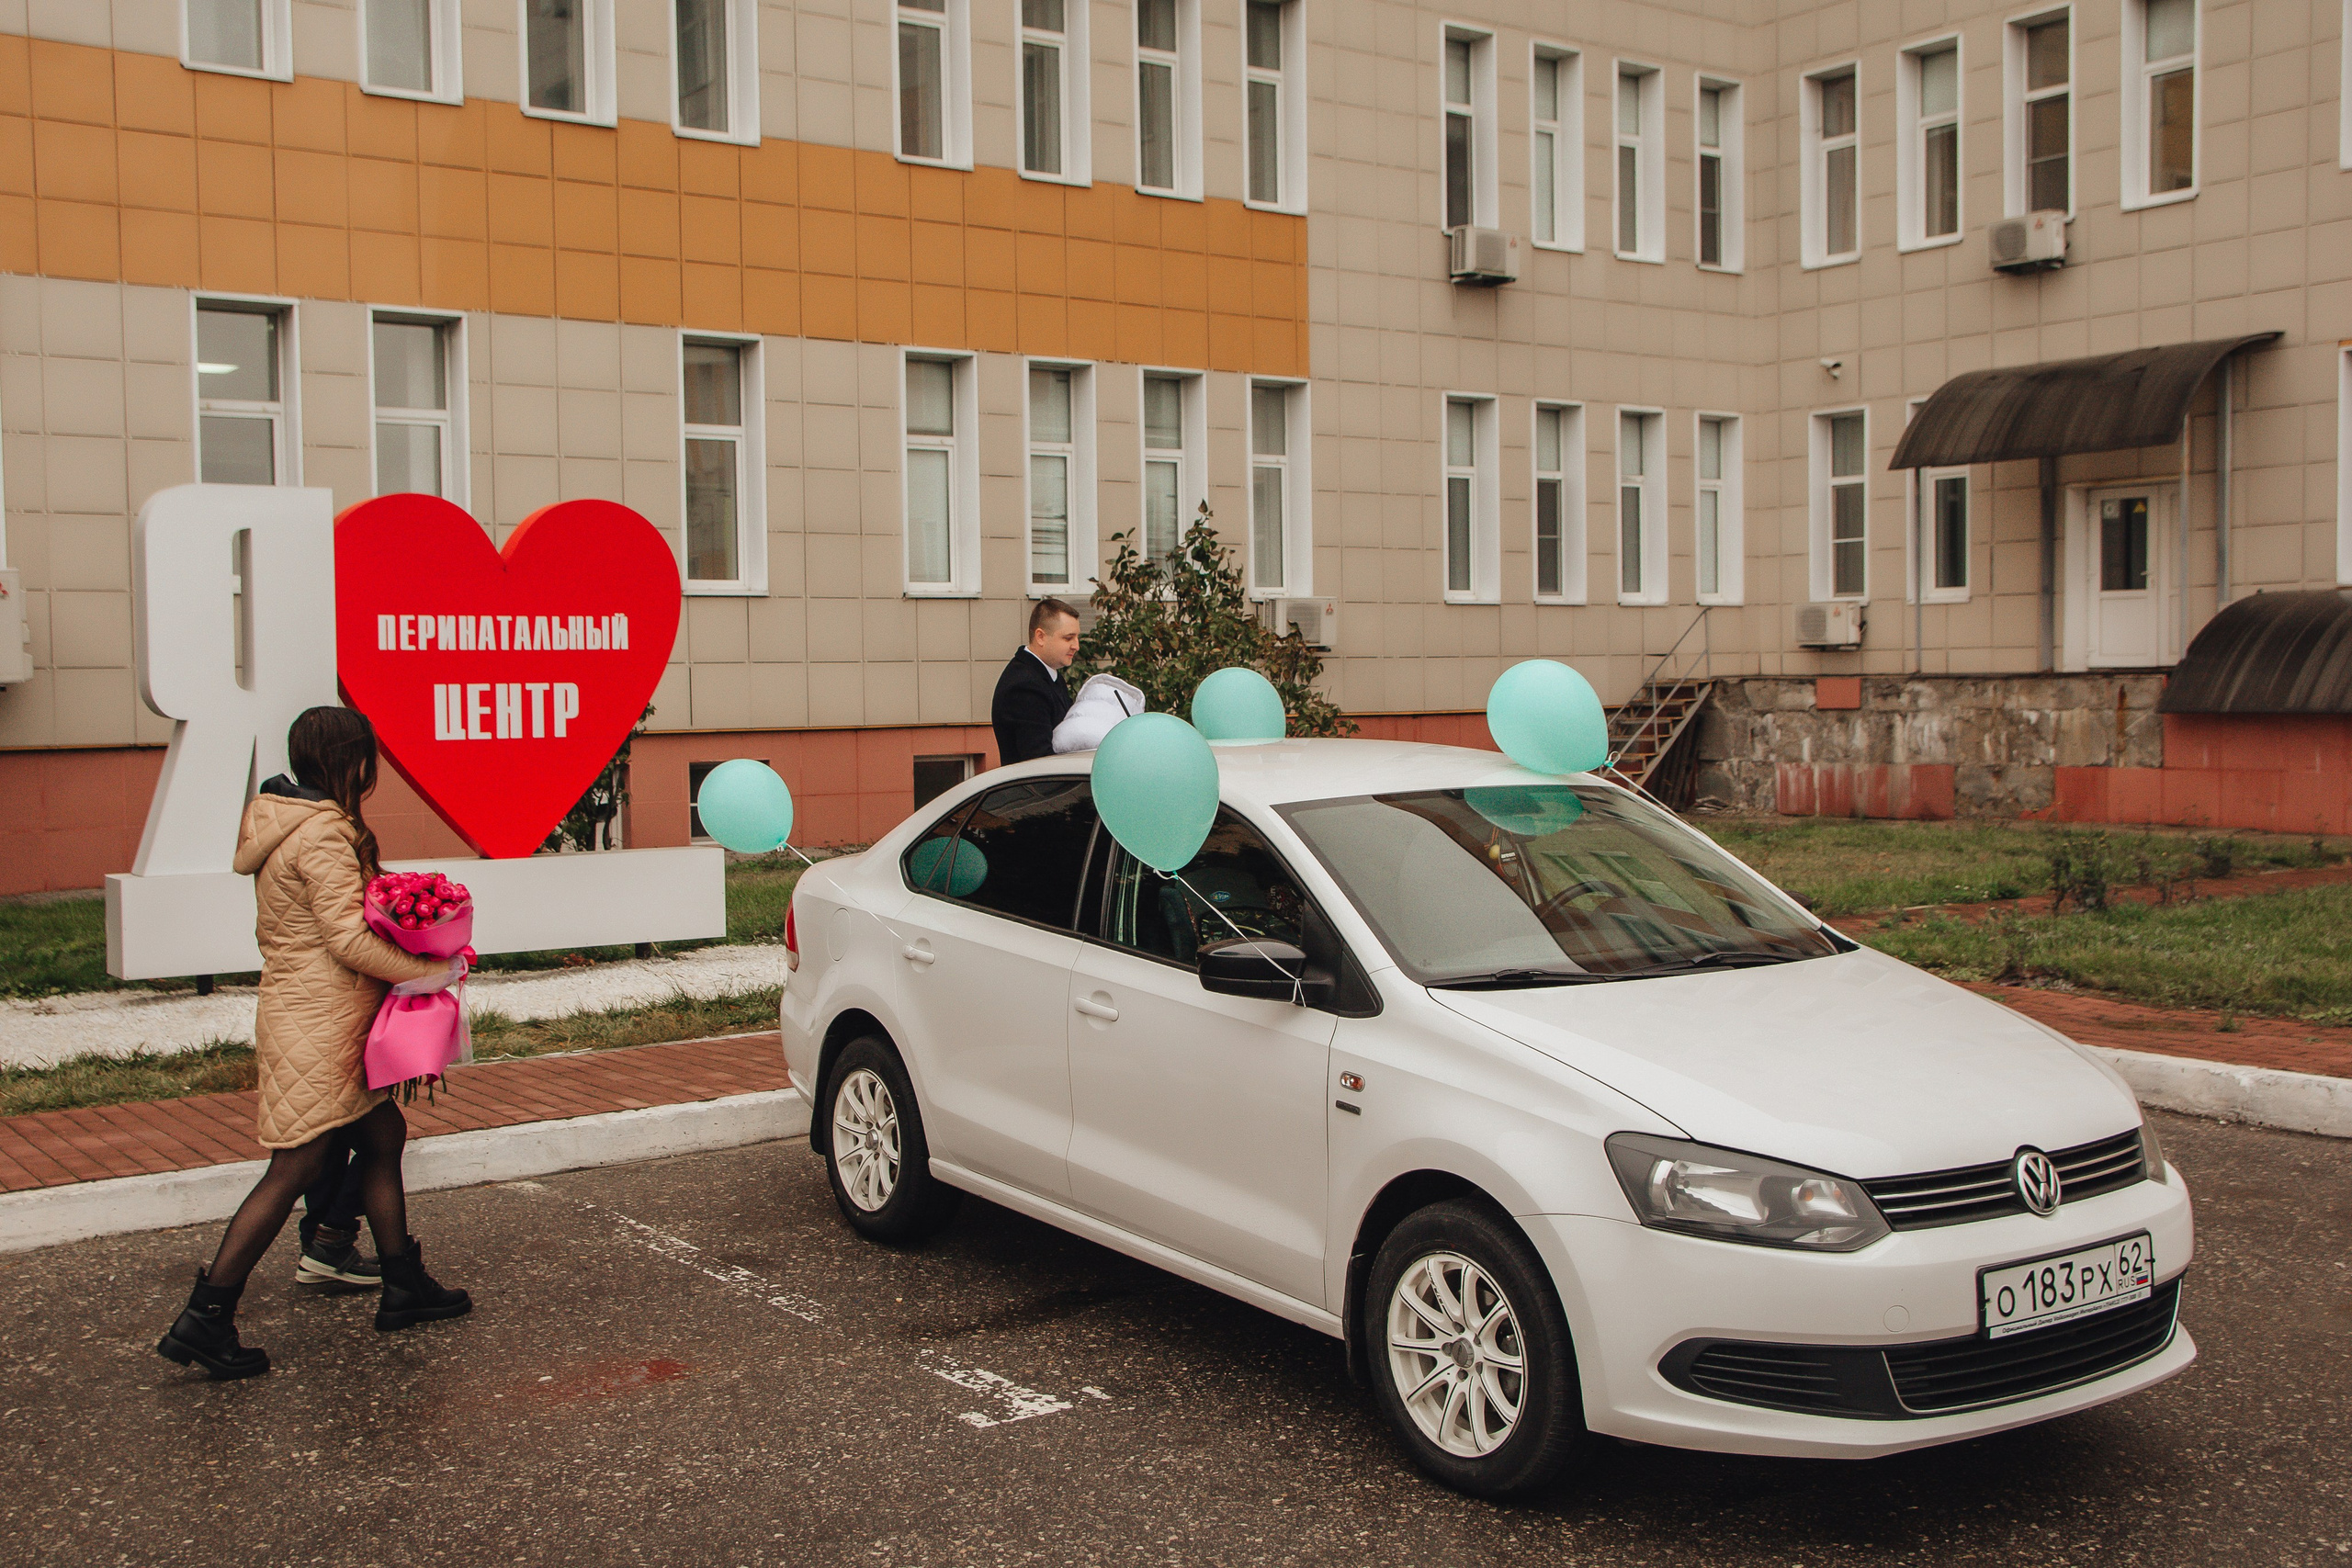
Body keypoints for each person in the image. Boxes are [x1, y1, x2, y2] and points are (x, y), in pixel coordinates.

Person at [156, 706, 473, 1380]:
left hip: (312, 1013)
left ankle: (402, 1282)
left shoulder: (286, 821)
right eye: (367, 755)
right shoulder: (322, 833)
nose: (373, 769)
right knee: (294, 1165)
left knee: (384, 1134)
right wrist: (431, 970)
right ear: (346, 759)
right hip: (320, 1023)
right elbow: (348, 939)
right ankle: (207, 1315)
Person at [991, 598, 1080, 766]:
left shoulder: (1047, 676)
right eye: (1068, 638)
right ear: (1040, 637)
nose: (1076, 646)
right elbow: (1039, 761)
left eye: (1077, 637)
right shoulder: (1025, 686)